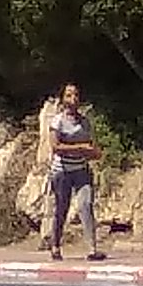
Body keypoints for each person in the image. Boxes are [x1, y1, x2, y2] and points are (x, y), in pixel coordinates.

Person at [42, 83, 102, 262]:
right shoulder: (58, 121)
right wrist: (80, 147)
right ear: (63, 99)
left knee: (86, 205)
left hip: (81, 170)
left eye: (75, 95)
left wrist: (93, 152)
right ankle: (55, 245)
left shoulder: (84, 122)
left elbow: (90, 145)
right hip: (62, 172)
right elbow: (55, 147)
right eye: (69, 95)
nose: (73, 99)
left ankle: (92, 249)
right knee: (62, 208)